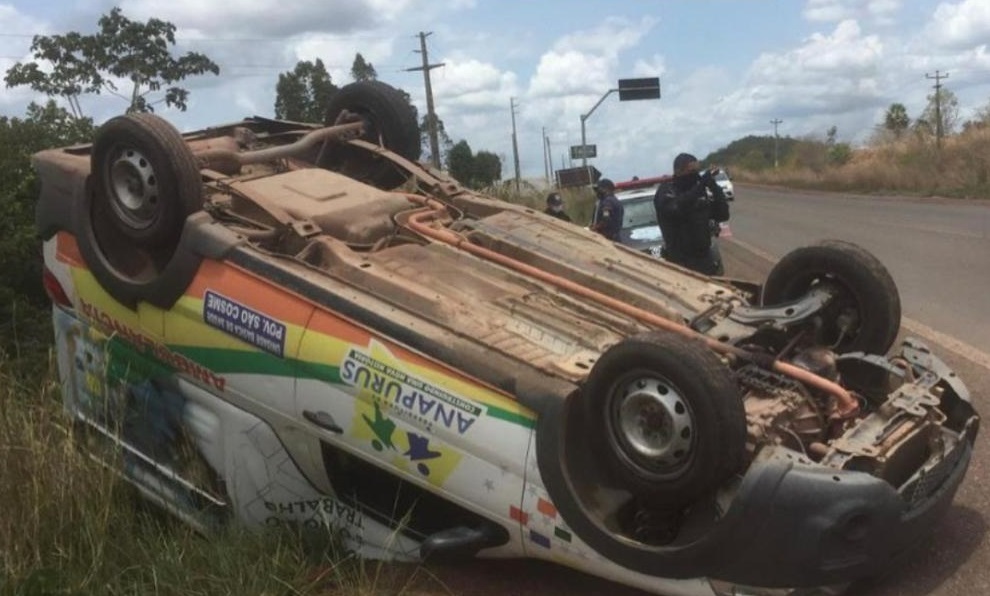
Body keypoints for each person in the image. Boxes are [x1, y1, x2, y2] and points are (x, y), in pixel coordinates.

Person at [653, 153, 730, 275]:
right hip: (679, 262)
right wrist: (701, 186)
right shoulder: (667, 191)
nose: (695, 175)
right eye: (691, 171)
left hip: (704, 259)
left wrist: (714, 187)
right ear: (678, 171)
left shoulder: (699, 191)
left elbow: (722, 214)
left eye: (697, 171)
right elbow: (676, 207)